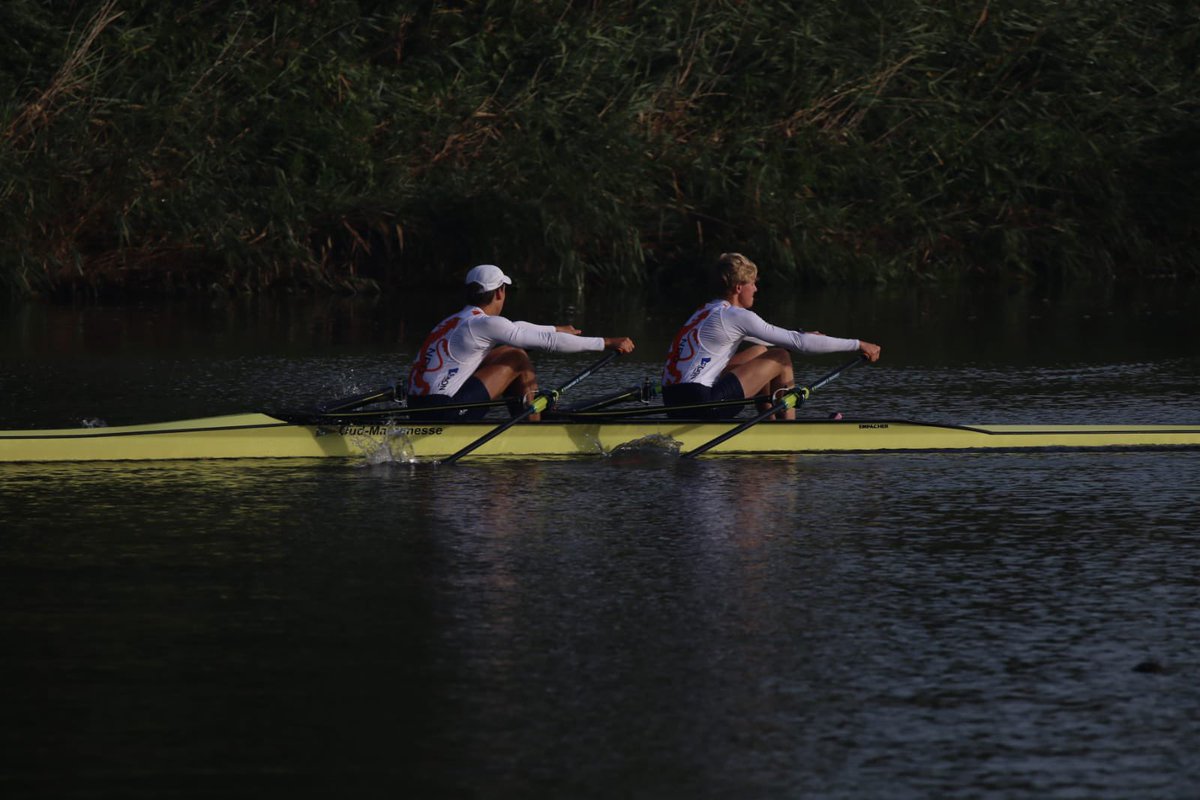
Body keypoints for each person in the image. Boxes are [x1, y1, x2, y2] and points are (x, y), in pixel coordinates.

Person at [661, 252, 881, 420]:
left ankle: (769, 418)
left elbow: (775, 339)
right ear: (739, 288)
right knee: (779, 357)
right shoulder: (737, 316)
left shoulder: (705, 312)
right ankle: (787, 431)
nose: (756, 289)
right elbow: (799, 344)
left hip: (674, 401)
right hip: (702, 404)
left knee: (759, 352)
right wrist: (859, 344)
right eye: (753, 283)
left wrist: (802, 335)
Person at [407, 264, 635, 421]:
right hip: (443, 413)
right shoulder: (484, 324)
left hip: (417, 407)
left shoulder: (456, 320)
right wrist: (606, 342)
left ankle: (525, 416)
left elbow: (516, 327)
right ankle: (531, 427)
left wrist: (555, 328)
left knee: (507, 350)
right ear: (500, 293)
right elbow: (547, 342)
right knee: (516, 357)